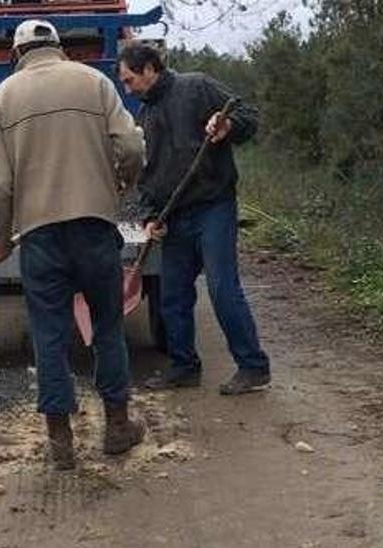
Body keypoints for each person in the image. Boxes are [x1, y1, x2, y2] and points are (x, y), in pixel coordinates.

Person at [0, 20, 147, 470]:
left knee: (49, 334)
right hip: (94, 227)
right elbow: (132, 145)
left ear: (17, 55)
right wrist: (120, 184)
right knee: (107, 326)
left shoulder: (4, 96)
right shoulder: (94, 81)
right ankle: (117, 427)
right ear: (59, 48)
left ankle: (60, 441)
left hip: (39, 236)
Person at [116, 43, 272, 396]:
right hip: (175, 217)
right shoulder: (145, 117)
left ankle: (253, 367)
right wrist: (150, 217)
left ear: (150, 69)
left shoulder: (198, 86)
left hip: (213, 207)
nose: (128, 90)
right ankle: (184, 367)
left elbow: (250, 117)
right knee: (172, 296)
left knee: (222, 288)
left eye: (129, 80)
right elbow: (148, 177)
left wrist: (228, 124)